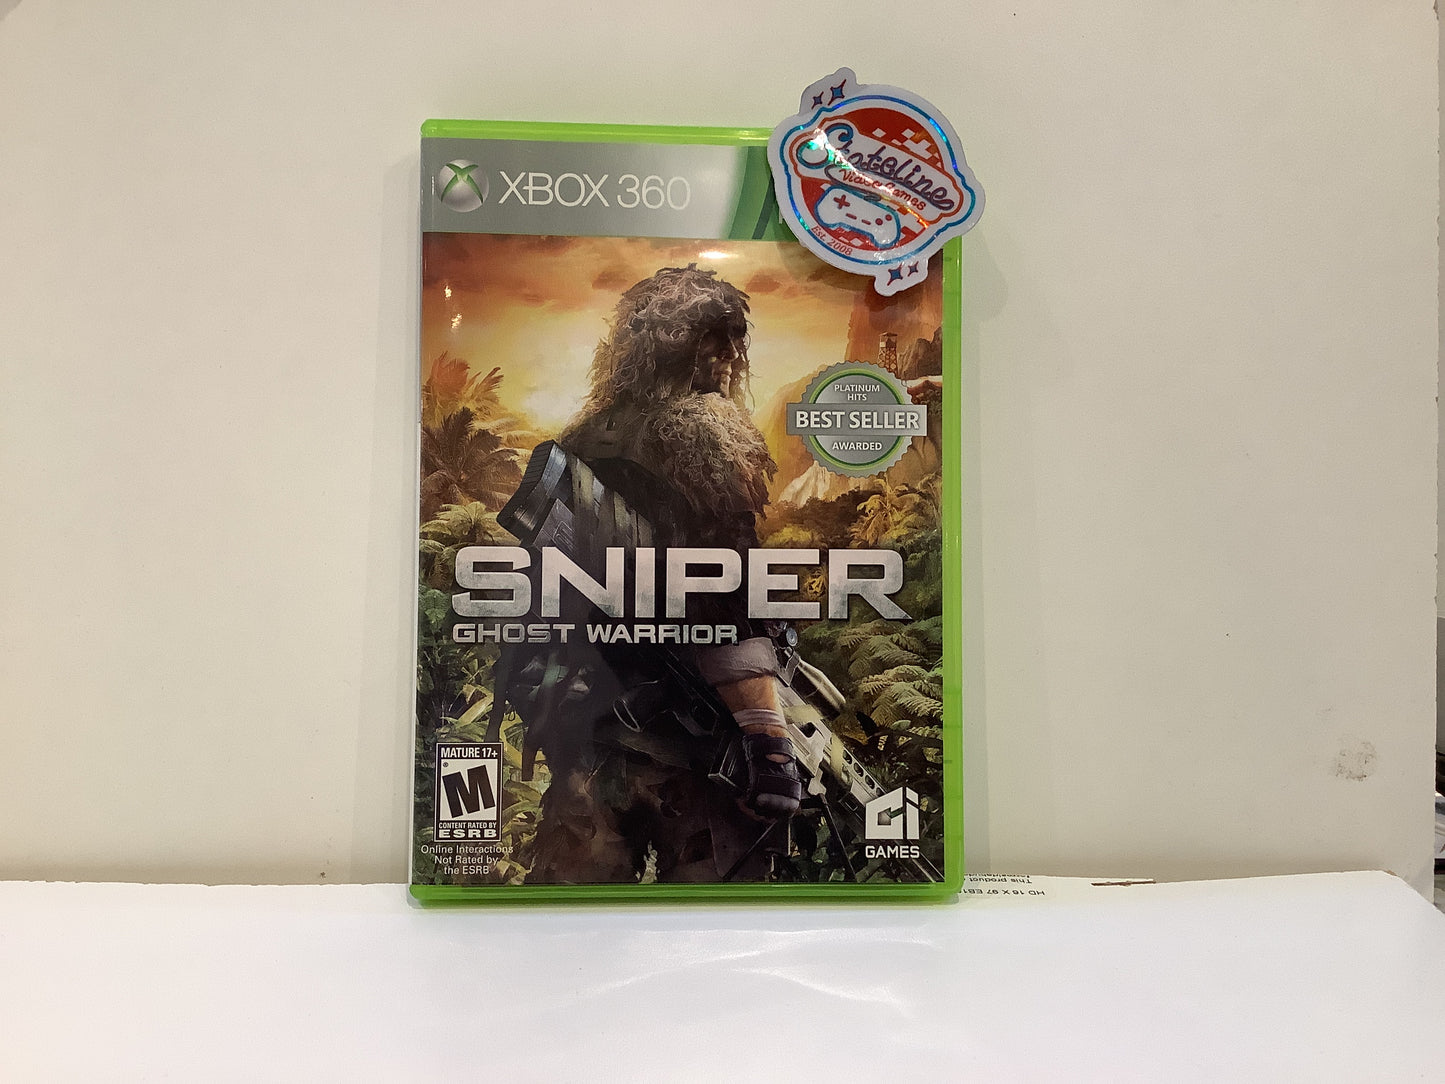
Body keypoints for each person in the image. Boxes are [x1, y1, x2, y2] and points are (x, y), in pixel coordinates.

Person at [519, 265, 802, 883]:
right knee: (719, 917)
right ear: (668, 348)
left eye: (733, 342)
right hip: (691, 749)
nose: (729, 359)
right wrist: (768, 738)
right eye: (712, 342)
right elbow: (727, 595)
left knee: (564, 913)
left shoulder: (582, 439)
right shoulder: (703, 434)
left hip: (593, 733)